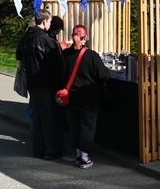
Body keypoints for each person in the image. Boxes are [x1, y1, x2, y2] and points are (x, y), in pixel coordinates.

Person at [15, 11, 64, 159]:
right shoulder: (47, 40)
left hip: (32, 82)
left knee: (37, 116)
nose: (50, 24)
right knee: (49, 117)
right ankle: (51, 150)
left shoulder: (25, 38)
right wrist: (59, 84)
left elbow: (18, 56)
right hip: (47, 84)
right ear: (44, 22)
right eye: (49, 21)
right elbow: (56, 65)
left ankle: (38, 149)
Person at [61, 25, 110, 168]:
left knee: (74, 126)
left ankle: (78, 153)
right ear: (85, 37)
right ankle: (84, 156)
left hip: (71, 97)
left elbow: (60, 74)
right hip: (89, 98)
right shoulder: (91, 55)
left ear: (72, 36)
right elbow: (103, 75)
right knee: (87, 127)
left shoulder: (65, 54)